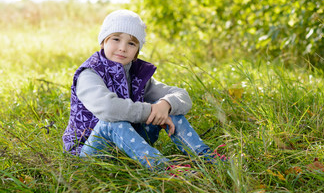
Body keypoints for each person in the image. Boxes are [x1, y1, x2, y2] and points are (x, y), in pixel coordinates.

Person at [62, 10, 226, 171]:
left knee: (166, 106)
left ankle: (205, 157)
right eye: (116, 39)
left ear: (136, 53)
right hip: (89, 152)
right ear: (103, 42)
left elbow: (182, 95)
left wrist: (165, 105)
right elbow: (109, 109)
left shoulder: (135, 74)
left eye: (131, 43)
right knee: (111, 122)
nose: (122, 48)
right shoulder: (89, 74)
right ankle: (164, 169)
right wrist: (150, 112)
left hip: (126, 145)